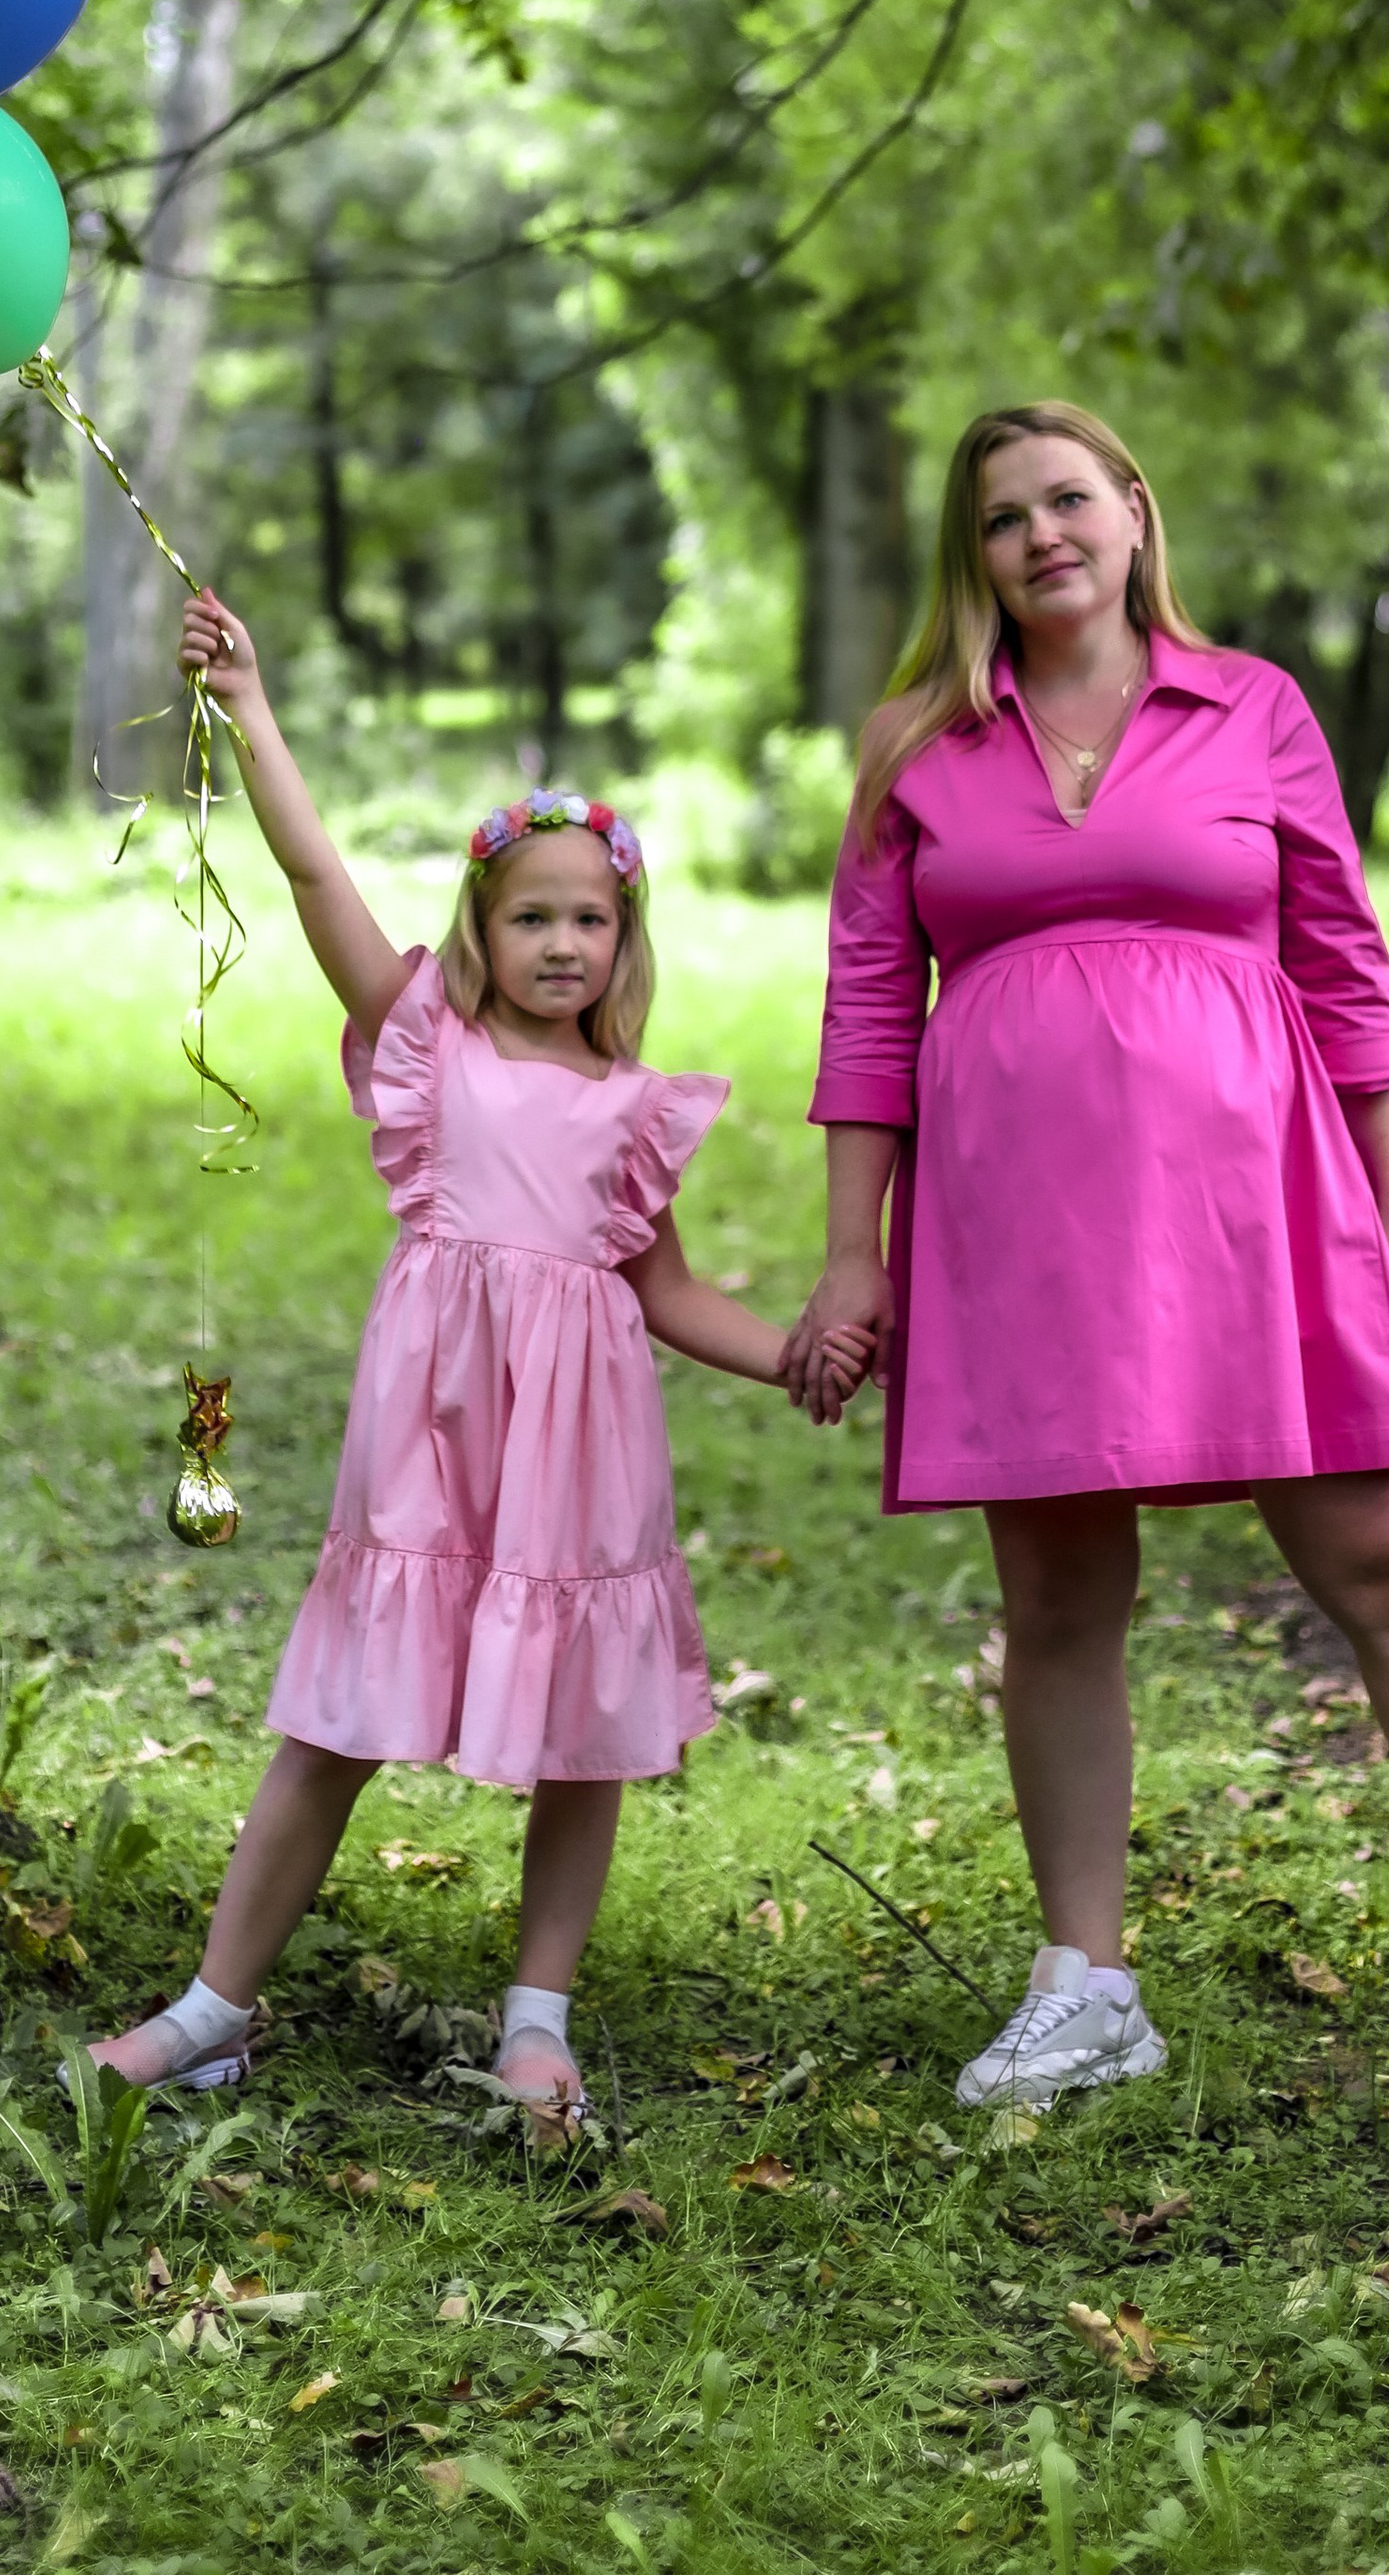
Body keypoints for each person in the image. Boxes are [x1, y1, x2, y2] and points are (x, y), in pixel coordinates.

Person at [781, 401, 1389, 2105]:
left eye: (1070, 499)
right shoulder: (917, 746)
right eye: (1003, 517)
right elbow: (865, 1013)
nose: (1042, 536)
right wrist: (858, 1257)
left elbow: (1348, 970)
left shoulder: (1255, 708)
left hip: (1256, 1202)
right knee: (1060, 1592)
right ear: (970, 553)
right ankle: (1088, 1987)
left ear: (1135, 514)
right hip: (1015, 1223)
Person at [92, 589, 873, 2132]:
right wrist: (249, 709)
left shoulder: (638, 1109)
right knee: (338, 1721)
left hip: (578, 1458)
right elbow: (314, 874)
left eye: (593, 917)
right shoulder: (425, 1043)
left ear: (624, 937)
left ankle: (538, 2021)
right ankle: (212, 2008)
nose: (564, 941)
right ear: (482, 930)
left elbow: (666, 1290)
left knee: (581, 1729)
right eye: (533, 915)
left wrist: (800, 1355)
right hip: (430, 1440)